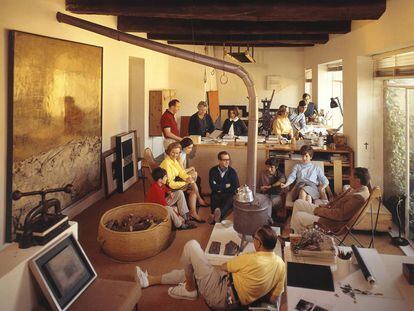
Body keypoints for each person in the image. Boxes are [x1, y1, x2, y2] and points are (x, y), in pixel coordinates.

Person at [134, 225, 286, 310]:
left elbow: (225, 266)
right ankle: (151, 280)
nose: (253, 240)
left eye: (254, 238)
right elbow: (274, 298)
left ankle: (190, 289)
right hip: (233, 296)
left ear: (259, 243)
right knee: (194, 270)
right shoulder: (281, 265)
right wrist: (255, 288)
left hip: (220, 295)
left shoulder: (251, 257)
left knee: (191, 246)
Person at [290, 167, 371, 234]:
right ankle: (293, 234)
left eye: (351, 176)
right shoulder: (356, 189)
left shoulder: (358, 198)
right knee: (298, 203)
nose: (349, 177)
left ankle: (298, 241)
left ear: (358, 181)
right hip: (328, 213)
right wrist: (325, 206)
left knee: (298, 216)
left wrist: (320, 211)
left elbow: (339, 215)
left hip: (330, 223)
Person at [160, 142, 205, 223]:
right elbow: (170, 184)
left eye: (177, 153)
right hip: (169, 188)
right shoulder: (166, 163)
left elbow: (181, 172)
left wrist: (187, 178)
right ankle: (198, 204)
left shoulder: (173, 160)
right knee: (193, 184)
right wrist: (185, 183)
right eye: (173, 152)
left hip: (175, 183)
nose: (175, 155)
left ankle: (193, 212)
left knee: (193, 188)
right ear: (169, 151)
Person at [208, 151, 239, 224]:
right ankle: (216, 216)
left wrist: (219, 187)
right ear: (219, 160)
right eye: (224, 160)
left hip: (228, 195)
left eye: (228, 160)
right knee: (214, 197)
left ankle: (216, 216)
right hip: (216, 194)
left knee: (230, 199)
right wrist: (226, 185)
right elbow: (213, 187)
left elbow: (235, 187)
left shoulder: (232, 172)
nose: (227, 162)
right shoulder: (213, 171)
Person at [179, 137, 208, 206]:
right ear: (184, 147)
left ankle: (198, 199)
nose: (191, 150)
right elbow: (181, 171)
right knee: (195, 177)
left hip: (181, 174)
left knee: (196, 177)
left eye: (191, 148)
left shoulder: (183, 153)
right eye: (189, 148)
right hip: (177, 176)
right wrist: (191, 168)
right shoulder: (180, 155)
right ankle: (199, 199)